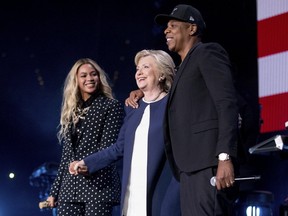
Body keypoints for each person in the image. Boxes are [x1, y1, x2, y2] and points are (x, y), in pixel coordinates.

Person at [125, 4, 239, 216]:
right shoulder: (182, 69)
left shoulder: (207, 53)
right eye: (166, 27)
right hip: (188, 169)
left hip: (209, 164)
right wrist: (142, 91)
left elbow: (227, 104)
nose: (166, 31)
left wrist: (224, 156)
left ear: (192, 29)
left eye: (173, 25)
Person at [69, 49, 181, 216]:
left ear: (162, 74)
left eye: (146, 67)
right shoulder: (133, 107)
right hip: (133, 191)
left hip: (162, 189)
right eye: (137, 68)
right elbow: (120, 147)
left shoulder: (174, 104)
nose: (139, 72)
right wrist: (87, 162)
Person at [46, 58, 124, 216]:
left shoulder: (111, 106)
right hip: (70, 188)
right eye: (83, 75)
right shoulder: (71, 110)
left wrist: (86, 165)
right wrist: (55, 191)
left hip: (98, 186)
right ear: (76, 80)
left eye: (93, 74)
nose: (89, 78)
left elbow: (109, 149)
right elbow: (67, 155)